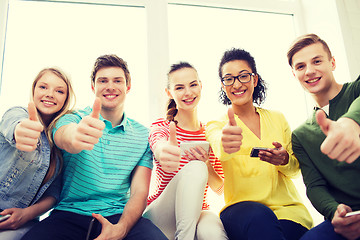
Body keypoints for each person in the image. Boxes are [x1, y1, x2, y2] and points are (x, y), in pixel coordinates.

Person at [21, 54, 167, 240]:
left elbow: (139, 192)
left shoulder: (142, 136)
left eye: (117, 80)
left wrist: (121, 228)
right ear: (93, 87)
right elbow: (64, 136)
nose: (110, 86)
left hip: (118, 215)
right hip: (69, 214)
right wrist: (76, 136)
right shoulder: (72, 118)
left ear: (127, 86)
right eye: (103, 80)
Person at [205, 48, 313, 240]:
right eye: (228, 79)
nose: (236, 84)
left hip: (287, 211)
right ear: (223, 85)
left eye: (243, 76)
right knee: (259, 216)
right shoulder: (217, 125)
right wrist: (227, 142)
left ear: (254, 80)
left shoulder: (278, 118)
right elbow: (221, 149)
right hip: (241, 210)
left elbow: (295, 170)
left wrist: (284, 160)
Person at [287, 33, 360, 240]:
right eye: (300, 66)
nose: (309, 71)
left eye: (317, 61)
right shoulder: (301, 135)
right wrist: (334, 211)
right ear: (294, 74)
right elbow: (315, 185)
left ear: (333, 63)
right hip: (348, 220)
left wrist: (351, 122)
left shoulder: (356, 91)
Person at [143, 62, 228, 240]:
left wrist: (207, 164)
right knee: (195, 168)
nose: (188, 92)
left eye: (193, 85)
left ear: (201, 86)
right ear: (169, 93)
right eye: (179, 87)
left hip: (199, 211)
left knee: (212, 233)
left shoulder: (210, 133)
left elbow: (220, 188)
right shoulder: (163, 127)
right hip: (161, 214)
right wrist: (164, 151)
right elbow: (158, 144)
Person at [0, 67, 75, 239]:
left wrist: (26, 215)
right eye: (43, 87)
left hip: (23, 221)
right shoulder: (18, 113)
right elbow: (14, 124)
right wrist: (20, 132)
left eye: (59, 91)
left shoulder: (60, 140)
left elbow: (53, 194)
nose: (50, 94)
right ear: (33, 90)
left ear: (66, 98)